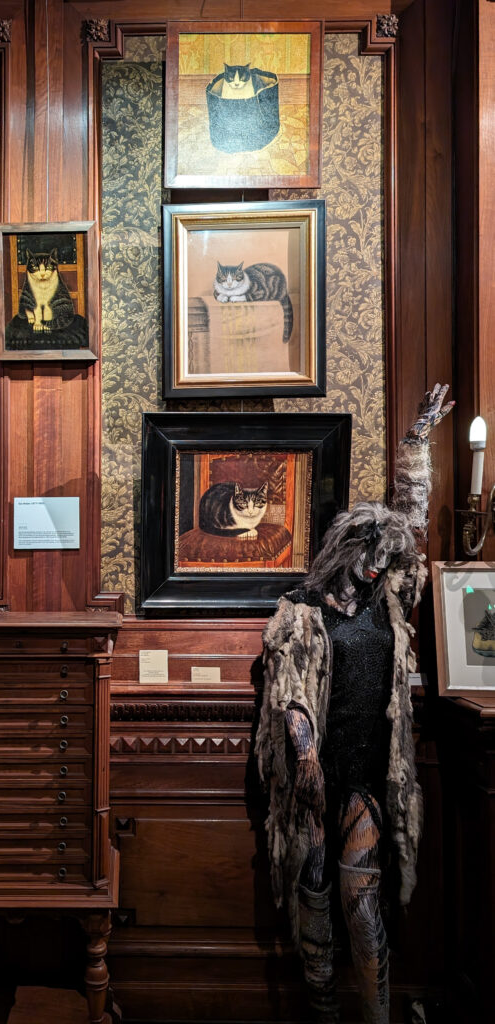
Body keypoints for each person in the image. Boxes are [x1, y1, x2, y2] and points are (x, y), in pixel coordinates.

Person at [256, 384, 453, 1024]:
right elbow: (288, 689)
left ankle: (377, 1015)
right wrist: (305, 753)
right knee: (313, 895)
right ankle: (322, 1012)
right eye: (368, 556)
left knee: (362, 903)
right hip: (315, 776)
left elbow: (411, 522)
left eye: (383, 558)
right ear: (345, 549)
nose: (375, 567)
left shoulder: (388, 601)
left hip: (368, 769)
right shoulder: (301, 611)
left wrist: (418, 441)